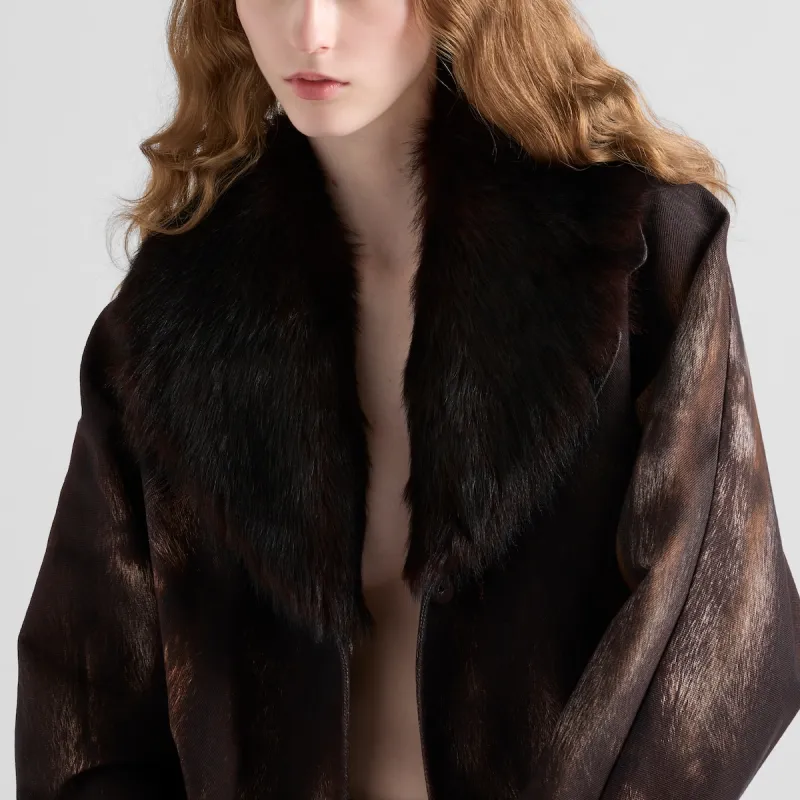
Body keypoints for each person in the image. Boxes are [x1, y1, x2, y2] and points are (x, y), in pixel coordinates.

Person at [15, 0, 800, 798]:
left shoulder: (641, 255)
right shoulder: (164, 326)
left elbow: (725, 639)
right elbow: (85, 707)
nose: (311, 31)